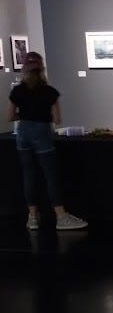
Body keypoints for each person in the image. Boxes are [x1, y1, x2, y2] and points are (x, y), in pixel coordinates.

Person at [6, 52, 88, 230]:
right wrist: (41, 115)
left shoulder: (17, 91)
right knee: (50, 175)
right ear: (41, 68)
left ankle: (32, 218)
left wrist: (25, 114)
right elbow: (57, 119)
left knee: (29, 174)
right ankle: (61, 217)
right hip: (42, 132)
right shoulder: (50, 92)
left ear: (24, 69)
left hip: (23, 133)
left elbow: (10, 116)